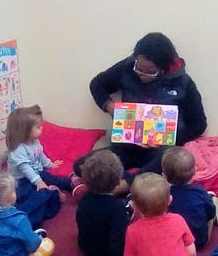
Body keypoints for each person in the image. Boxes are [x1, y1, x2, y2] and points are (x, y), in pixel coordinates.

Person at [89, 32, 207, 195]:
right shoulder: (127, 68)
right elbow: (97, 84)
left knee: (168, 163)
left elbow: (199, 124)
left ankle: (125, 185)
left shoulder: (183, 82)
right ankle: (98, 182)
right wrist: (110, 106)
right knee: (87, 163)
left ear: (163, 68)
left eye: (150, 72)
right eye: (139, 68)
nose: (142, 75)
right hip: (127, 145)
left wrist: (165, 136)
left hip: (159, 150)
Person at [76, 150, 129, 256]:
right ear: (118, 181)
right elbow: (117, 236)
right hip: (106, 252)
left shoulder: (84, 199)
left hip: (85, 247)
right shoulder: (118, 207)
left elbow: (79, 220)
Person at [6, 106, 71, 197]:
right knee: (31, 193)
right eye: (38, 127)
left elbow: (40, 154)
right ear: (24, 131)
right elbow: (26, 169)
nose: (41, 128)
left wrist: (49, 164)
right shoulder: (18, 150)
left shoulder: (34, 141)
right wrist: (38, 181)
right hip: (21, 180)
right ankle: (53, 194)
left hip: (37, 172)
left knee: (53, 179)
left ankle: (73, 184)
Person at [162, 146, 215, 248]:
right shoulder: (200, 191)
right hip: (199, 241)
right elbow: (210, 213)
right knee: (211, 209)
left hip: (174, 241)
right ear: (195, 170)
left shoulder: (163, 195)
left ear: (164, 175)